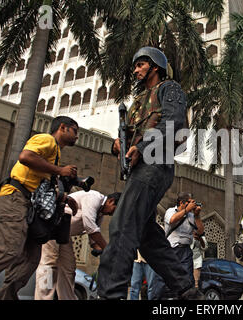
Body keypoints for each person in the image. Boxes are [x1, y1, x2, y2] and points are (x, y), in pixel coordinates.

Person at [97, 47, 202, 300]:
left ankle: (111, 295)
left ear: (155, 65)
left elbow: (175, 124)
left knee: (122, 227)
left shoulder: (170, 88)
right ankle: (188, 291)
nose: (135, 70)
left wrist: (142, 147)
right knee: (147, 238)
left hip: (156, 165)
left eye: (140, 65)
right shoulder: (137, 103)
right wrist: (118, 145)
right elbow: (131, 136)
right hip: (139, 169)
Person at [0, 116, 79, 300]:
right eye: (75, 131)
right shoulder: (47, 140)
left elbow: (40, 188)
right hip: (14, 197)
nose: (77, 136)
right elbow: (26, 157)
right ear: (63, 127)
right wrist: (59, 171)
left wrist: (63, 197)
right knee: (8, 249)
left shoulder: (55, 153)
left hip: (28, 205)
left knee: (30, 259)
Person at [35, 190, 120, 300]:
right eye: (115, 209)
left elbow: (94, 241)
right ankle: (43, 298)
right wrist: (109, 250)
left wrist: (105, 256)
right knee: (49, 265)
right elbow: (90, 227)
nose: (113, 214)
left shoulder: (100, 214)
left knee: (68, 268)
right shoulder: (94, 197)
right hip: (52, 227)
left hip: (64, 234)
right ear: (111, 201)